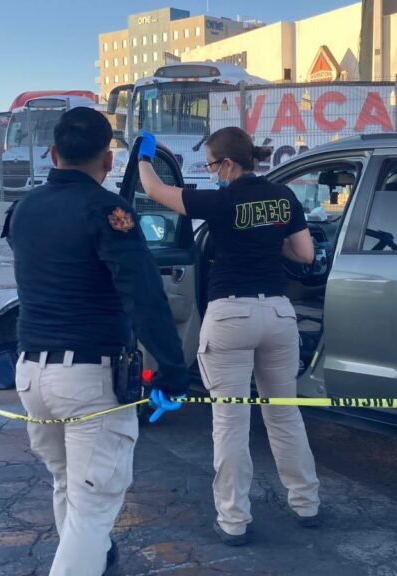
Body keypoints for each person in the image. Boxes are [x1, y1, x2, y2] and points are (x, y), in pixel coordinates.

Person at [5, 107, 189, 575]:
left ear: (52, 153)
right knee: (93, 508)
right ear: (108, 161)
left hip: (32, 375)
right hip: (89, 377)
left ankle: (98, 563)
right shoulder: (109, 212)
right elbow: (145, 298)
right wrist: (172, 370)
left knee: (69, 485)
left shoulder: (24, 208)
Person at [137, 127, 321, 546]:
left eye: (210, 165)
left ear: (228, 164)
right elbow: (306, 255)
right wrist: (270, 243)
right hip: (277, 313)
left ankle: (234, 520)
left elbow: (154, 190)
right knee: (284, 415)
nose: (210, 172)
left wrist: (144, 156)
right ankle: (306, 503)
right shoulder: (284, 198)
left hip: (230, 315)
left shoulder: (220, 201)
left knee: (231, 423)